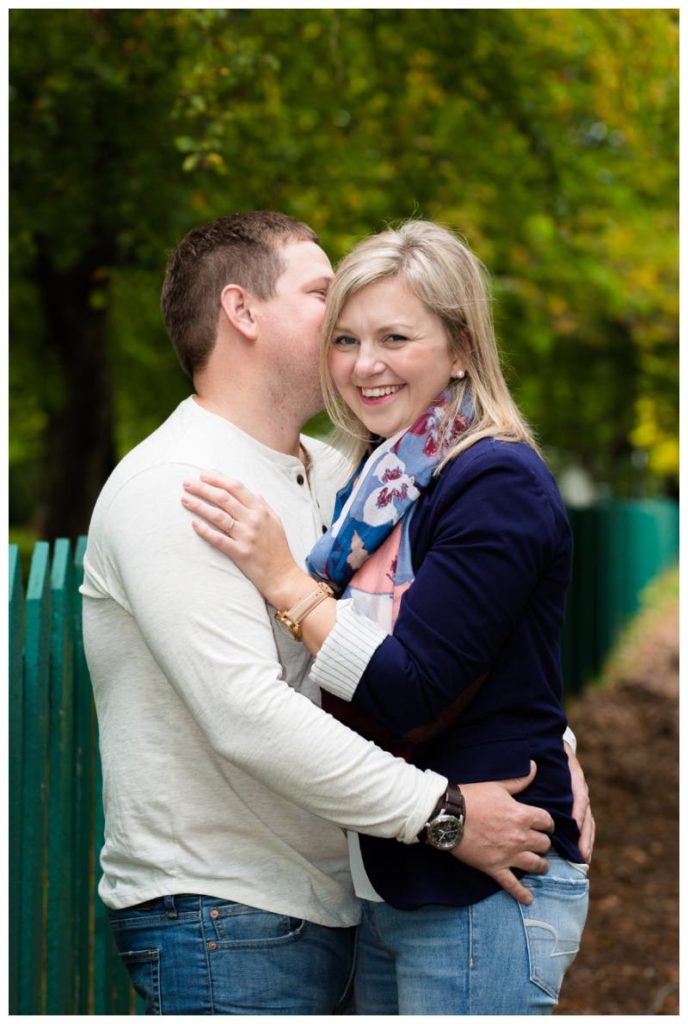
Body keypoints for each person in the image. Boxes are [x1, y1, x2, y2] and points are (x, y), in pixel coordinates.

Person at [81, 212, 592, 1016]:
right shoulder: (177, 485)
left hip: (347, 900)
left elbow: (455, 635)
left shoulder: (353, 481)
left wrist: (546, 741)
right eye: (327, 298)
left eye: (388, 333)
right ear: (244, 312)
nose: (349, 337)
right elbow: (248, 713)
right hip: (228, 911)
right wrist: (447, 814)